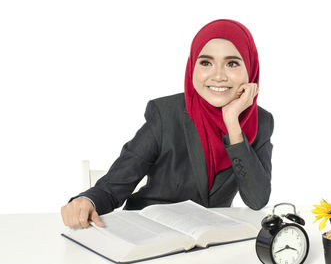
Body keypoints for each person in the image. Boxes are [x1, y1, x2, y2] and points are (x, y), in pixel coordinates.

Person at [61, 19, 274, 229]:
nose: (218, 75)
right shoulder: (165, 114)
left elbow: (257, 199)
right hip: (149, 230)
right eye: (206, 62)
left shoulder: (260, 122)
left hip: (207, 239)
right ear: (192, 67)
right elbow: (117, 183)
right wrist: (86, 201)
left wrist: (232, 124)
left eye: (232, 63)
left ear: (251, 69)